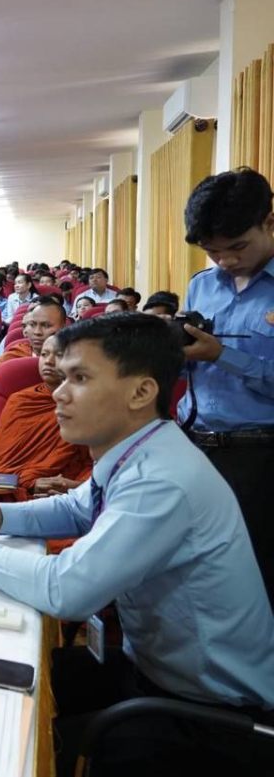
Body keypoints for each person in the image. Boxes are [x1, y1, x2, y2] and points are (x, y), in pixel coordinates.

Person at [0, 313, 274, 777]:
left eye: (80, 378)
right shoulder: (141, 447)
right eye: (63, 376)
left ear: (141, 392)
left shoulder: (162, 480)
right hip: (153, 671)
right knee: (0, 678)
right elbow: (78, 507)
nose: (59, 392)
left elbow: (66, 590)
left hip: (210, 716)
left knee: (17, 742)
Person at [180, 167, 274, 600]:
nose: (226, 261)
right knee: (195, 572)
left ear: (268, 222)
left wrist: (222, 355)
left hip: (260, 456)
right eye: (213, 251)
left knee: (253, 580)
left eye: (237, 247)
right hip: (195, 445)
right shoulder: (202, 287)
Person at [0, 336, 91, 501]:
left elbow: (100, 465)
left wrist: (75, 487)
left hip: (75, 497)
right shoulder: (21, 402)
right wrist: (30, 483)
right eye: (44, 354)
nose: (48, 361)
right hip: (19, 495)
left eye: (59, 355)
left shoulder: (89, 405)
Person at [0, 299, 66, 423]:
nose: (37, 332)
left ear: (63, 328)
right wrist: (16, 420)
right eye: (32, 325)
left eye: (46, 326)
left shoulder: (74, 360)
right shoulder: (12, 357)